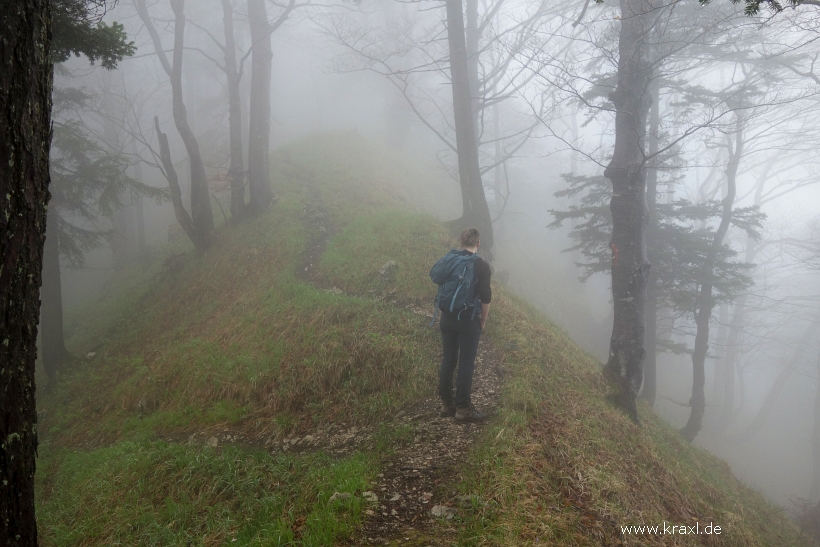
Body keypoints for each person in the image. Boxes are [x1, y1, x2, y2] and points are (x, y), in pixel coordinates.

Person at [438, 228, 491, 423]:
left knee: (448, 361)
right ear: (478, 244)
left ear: (461, 243)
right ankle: (462, 409)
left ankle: (446, 405)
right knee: (466, 364)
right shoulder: (482, 266)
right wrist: (482, 321)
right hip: (468, 320)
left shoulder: (451, 260)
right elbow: (486, 296)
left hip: (447, 317)